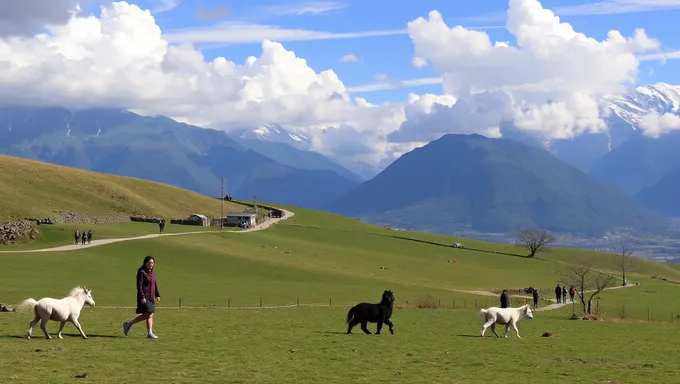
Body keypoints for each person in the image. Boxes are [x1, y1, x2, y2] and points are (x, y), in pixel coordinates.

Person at [123, 255, 161, 339]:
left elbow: (155, 285)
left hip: (151, 297)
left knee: (150, 314)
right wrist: (142, 297)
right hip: (144, 297)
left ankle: (149, 333)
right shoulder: (141, 272)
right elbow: (139, 286)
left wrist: (157, 295)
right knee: (149, 314)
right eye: (149, 263)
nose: (151, 264)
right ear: (145, 263)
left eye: (153, 263)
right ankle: (129, 323)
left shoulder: (153, 273)